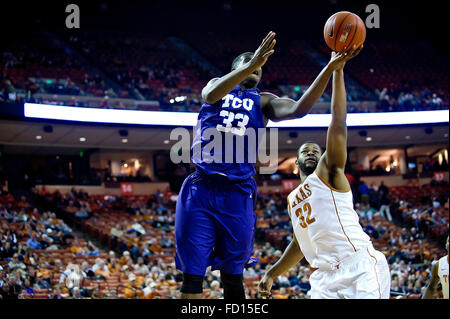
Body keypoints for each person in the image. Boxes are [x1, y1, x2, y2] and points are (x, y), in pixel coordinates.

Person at [175, 31, 352, 299]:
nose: (255, 68)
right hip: (201, 187)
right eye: (248, 63)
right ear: (234, 69)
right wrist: (252, 61)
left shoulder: (264, 100)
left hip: (238, 192)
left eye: (258, 67)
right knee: (193, 277)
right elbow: (210, 93)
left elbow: (299, 109)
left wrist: (329, 68)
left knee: (233, 275)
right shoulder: (217, 86)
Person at [258, 46, 391, 299]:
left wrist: (337, 73)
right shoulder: (292, 199)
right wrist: (272, 273)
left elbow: (338, 124)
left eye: (316, 151)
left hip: (358, 266)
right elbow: (299, 244)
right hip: (323, 277)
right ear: (295, 162)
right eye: (305, 151)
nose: (311, 153)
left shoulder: (328, 173)